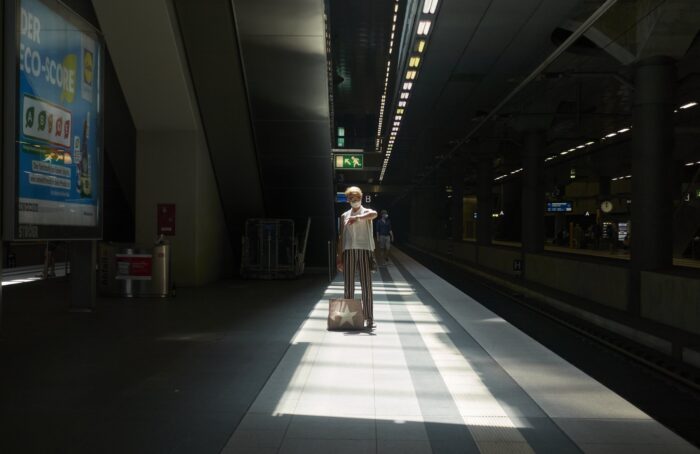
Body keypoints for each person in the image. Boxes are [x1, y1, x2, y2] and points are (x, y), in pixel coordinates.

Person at [336, 186, 378, 329]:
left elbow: (374, 214)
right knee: (348, 286)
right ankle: (349, 319)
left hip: (364, 250)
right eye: (352, 199)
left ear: (361, 198)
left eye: (357, 198)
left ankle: (369, 318)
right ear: (348, 200)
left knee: (366, 285)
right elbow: (341, 237)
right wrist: (339, 257)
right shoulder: (344, 216)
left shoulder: (366, 212)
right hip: (348, 251)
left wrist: (357, 217)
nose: (355, 201)